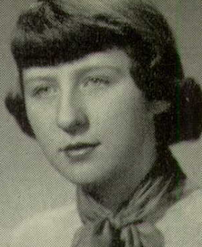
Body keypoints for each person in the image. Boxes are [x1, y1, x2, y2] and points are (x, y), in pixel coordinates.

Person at [5, 0, 202, 246]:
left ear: (157, 93)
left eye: (96, 81)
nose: (66, 118)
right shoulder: (31, 239)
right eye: (43, 89)